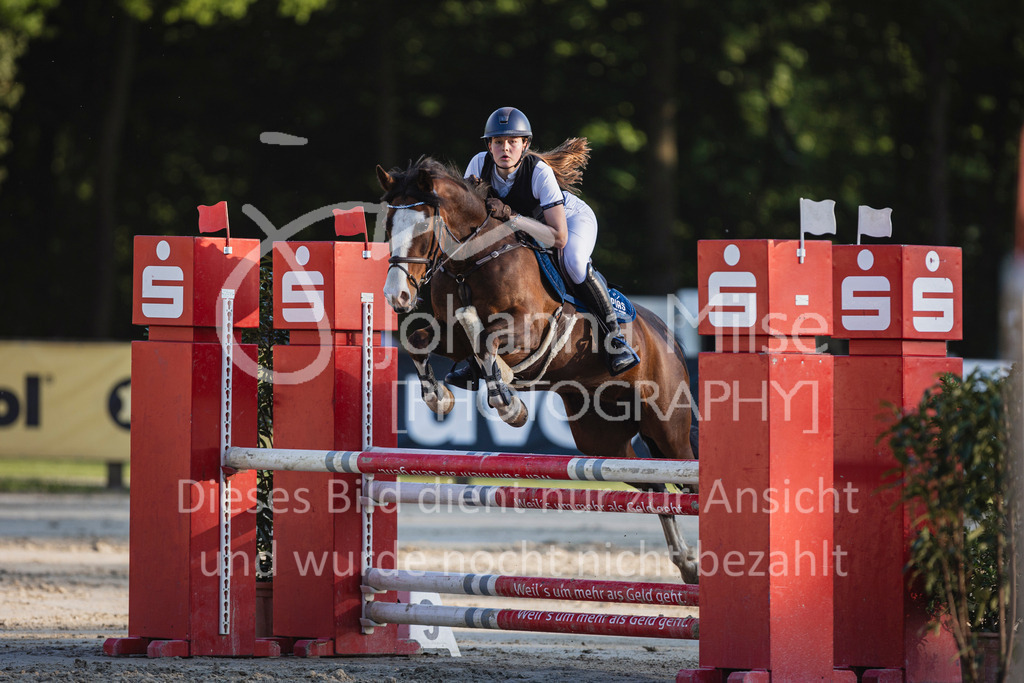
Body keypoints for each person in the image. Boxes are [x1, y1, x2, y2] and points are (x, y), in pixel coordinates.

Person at [446, 106, 639, 388]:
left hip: (567, 222)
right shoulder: (478, 164)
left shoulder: (539, 172)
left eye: (513, 141)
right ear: (489, 145)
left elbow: (558, 237)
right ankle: (478, 361)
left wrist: (511, 215)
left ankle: (614, 338)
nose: (505, 148)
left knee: (572, 261)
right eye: (498, 142)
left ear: (525, 144)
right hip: (523, 228)